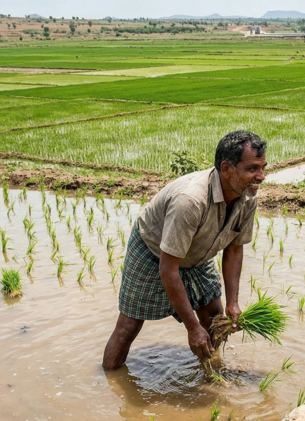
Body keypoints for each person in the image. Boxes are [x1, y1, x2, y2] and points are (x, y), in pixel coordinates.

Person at [102, 131, 267, 370]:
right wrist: (192, 328)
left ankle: (212, 373)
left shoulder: (247, 197)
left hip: (198, 252)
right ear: (226, 168)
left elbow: (234, 248)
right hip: (154, 249)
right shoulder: (190, 200)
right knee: (129, 325)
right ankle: (111, 381)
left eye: (263, 168)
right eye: (252, 169)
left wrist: (233, 302)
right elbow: (168, 269)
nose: (260, 176)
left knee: (214, 318)